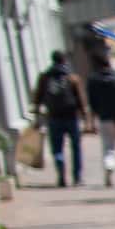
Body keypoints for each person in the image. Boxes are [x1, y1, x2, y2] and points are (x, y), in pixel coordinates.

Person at [33, 50, 91, 187]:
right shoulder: (72, 78)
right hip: (71, 117)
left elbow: (37, 98)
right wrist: (85, 118)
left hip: (53, 117)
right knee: (76, 148)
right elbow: (80, 100)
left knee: (57, 149)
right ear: (64, 60)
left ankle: (61, 176)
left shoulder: (44, 77)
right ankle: (77, 177)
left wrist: (36, 117)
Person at [86, 52, 115, 185]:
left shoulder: (92, 80)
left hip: (104, 118)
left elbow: (91, 103)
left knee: (108, 146)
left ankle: (109, 164)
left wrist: (91, 121)